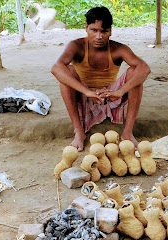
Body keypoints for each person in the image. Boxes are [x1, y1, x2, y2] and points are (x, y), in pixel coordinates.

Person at [51, 6, 151, 151]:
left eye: (103, 31)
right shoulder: (76, 45)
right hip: (85, 97)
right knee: (67, 73)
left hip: (111, 97)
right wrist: (87, 91)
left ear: (110, 31)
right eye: (94, 30)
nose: (99, 36)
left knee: (135, 73)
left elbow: (145, 68)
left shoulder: (118, 49)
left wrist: (120, 92)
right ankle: (79, 132)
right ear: (86, 28)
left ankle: (127, 133)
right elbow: (56, 68)